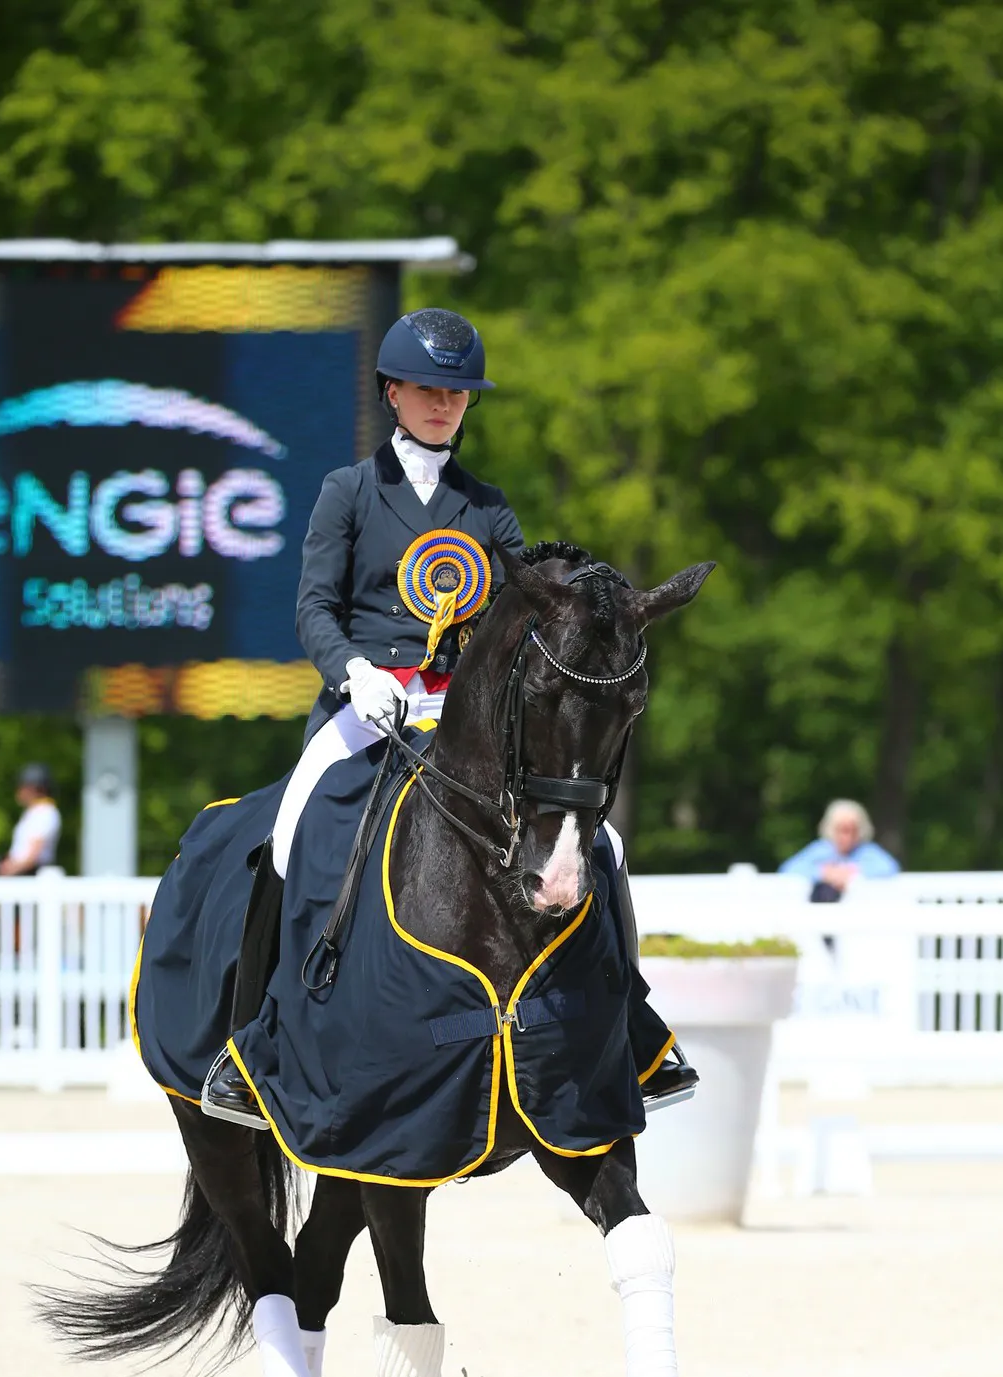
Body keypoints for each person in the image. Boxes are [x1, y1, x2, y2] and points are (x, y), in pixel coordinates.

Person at [201, 307, 697, 1127]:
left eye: (456, 393)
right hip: (368, 704)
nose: (442, 405)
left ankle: (637, 1032)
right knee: (291, 834)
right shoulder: (348, 493)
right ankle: (254, 1040)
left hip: (464, 712)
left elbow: (524, 615)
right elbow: (314, 608)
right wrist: (355, 672)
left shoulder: (486, 507)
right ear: (391, 393)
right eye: (427, 390)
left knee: (599, 843)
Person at [779, 798, 899, 902]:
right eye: (842, 830)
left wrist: (852, 871)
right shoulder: (821, 849)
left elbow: (889, 867)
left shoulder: (867, 850)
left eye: (852, 830)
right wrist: (823, 873)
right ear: (831, 829)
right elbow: (789, 868)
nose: (847, 837)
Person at [0, 763, 61, 876]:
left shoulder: (45, 812)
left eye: (22, 786)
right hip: (23, 871)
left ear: (34, 788)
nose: (18, 791)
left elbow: (34, 853)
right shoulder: (33, 812)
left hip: (30, 874)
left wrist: (9, 869)